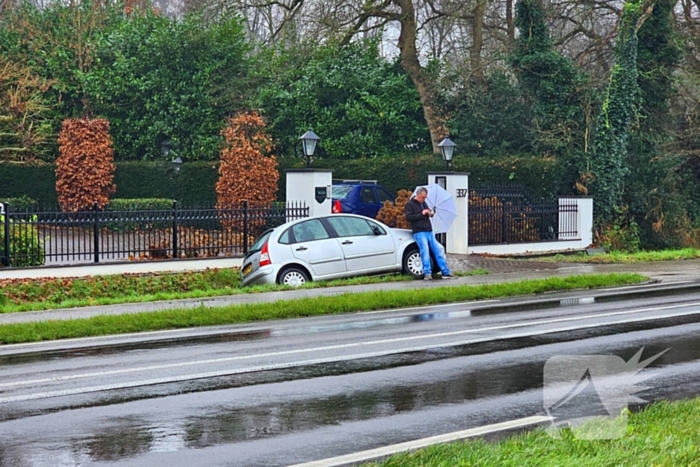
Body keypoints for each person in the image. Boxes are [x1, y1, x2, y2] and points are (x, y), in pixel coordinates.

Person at [404, 186, 456, 281]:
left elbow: (427, 214)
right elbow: (408, 218)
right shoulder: (409, 204)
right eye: (422, 197)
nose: (424, 199)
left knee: (438, 251)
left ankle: (445, 272)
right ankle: (427, 273)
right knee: (425, 251)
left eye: (425, 197)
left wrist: (431, 213)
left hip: (429, 230)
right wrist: (421, 214)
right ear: (418, 194)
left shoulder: (424, 203)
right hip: (419, 231)